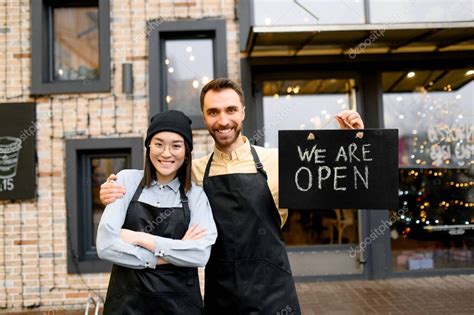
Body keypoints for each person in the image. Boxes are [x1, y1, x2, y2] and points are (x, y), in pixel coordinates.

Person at [100, 78, 364, 314]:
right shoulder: (193, 172)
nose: (223, 120)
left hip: (273, 293)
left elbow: (334, 187)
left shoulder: (278, 161)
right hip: (221, 294)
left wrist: (351, 143)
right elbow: (156, 180)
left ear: (243, 112)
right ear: (204, 117)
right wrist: (111, 190)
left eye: (231, 110)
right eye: (213, 112)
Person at [96, 110, 217, 314]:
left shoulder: (196, 196)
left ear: (186, 152)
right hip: (127, 305)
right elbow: (106, 245)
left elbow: (200, 254)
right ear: (148, 146)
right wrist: (168, 255)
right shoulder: (126, 181)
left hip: (180, 306)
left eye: (176, 146)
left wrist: (139, 238)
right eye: (159, 144)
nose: (166, 153)